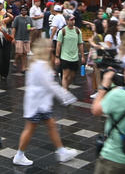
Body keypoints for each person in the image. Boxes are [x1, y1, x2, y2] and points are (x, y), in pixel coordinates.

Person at [13, 38, 78, 166]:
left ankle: (62, 151)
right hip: (38, 104)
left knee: (51, 125)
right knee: (31, 128)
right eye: (48, 47)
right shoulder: (40, 65)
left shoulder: (37, 63)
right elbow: (50, 85)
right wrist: (66, 96)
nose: (51, 49)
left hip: (39, 103)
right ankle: (19, 155)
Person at [55, 15, 84, 90]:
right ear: (67, 21)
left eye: (73, 20)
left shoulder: (77, 31)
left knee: (72, 76)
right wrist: (57, 57)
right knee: (65, 75)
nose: (72, 21)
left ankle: (65, 88)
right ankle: (65, 93)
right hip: (65, 57)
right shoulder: (62, 31)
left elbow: (80, 44)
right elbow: (58, 45)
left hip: (75, 57)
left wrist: (83, 56)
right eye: (71, 20)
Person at [12, 6, 32, 73]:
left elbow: (32, 26)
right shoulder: (17, 18)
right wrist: (13, 37)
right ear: (20, 11)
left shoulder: (29, 18)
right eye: (22, 10)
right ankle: (15, 62)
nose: (24, 11)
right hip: (18, 37)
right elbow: (14, 28)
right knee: (19, 53)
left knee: (25, 54)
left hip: (26, 37)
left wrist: (31, 29)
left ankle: (23, 68)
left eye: (25, 10)